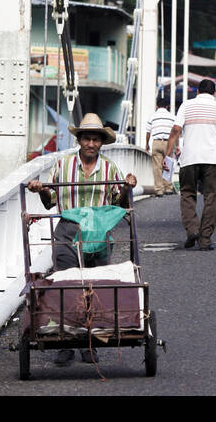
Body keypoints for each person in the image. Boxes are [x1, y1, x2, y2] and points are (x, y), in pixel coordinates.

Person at [27, 112, 138, 364]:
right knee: (66, 284)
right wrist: (42, 189)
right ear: (79, 141)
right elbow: (49, 202)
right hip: (68, 230)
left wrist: (127, 187)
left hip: (99, 233)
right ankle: (65, 343)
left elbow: (117, 204)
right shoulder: (62, 166)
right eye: (86, 139)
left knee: (95, 285)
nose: (91, 144)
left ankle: (90, 343)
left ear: (101, 142)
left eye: (95, 140)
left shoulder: (110, 168)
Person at [169, 79, 216, 251]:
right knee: (211, 198)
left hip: (190, 158)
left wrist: (167, 155)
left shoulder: (187, 105)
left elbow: (175, 130)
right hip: (212, 159)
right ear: (213, 93)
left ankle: (192, 229)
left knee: (188, 194)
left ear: (198, 91)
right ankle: (204, 239)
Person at [144, 93, 176, 196]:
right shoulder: (172, 117)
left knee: (157, 167)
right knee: (168, 165)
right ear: (168, 106)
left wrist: (147, 144)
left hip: (157, 142)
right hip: (169, 143)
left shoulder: (152, 117)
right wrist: (177, 145)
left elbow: (148, 132)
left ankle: (159, 190)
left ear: (157, 106)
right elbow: (176, 132)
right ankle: (168, 188)